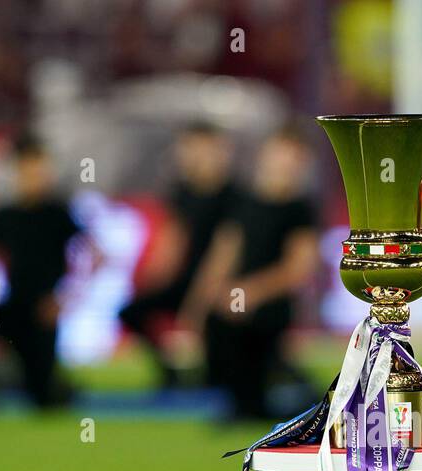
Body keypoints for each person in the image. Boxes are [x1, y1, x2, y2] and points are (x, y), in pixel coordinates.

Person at [182, 124, 319, 421]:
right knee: (224, 343)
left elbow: (298, 268)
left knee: (256, 375)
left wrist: (250, 292)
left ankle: (270, 400)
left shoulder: (299, 209)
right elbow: (221, 258)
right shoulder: (241, 203)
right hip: (235, 301)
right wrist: (196, 310)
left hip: (269, 304)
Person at [117, 121, 238, 387]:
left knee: (221, 368)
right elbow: (173, 239)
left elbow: (222, 258)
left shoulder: (234, 197)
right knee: (130, 311)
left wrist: (194, 312)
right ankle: (171, 370)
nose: (190, 156)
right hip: (183, 282)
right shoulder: (181, 192)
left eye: (198, 149)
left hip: (222, 287)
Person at [0, 133, 93, 409]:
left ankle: (38, 380)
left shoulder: (57, 213)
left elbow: (93, 254)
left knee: (44, 397)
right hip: (13, 306)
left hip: (44, 310)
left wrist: (66, 297)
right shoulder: (3, 214)